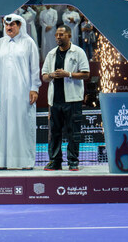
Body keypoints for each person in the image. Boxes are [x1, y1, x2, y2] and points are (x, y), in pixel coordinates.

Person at [0, 14, 41, 169]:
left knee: (23, 123)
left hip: (23, 91)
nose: (9, 27)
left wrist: (34, 88)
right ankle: (4, 162)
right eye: (7, 25)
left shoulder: (28, 42)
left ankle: (25, 161)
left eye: (12, 25)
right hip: (4, 92)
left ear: (20, 26)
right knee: (5, 124)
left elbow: (35, 68)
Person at [41, 26, 90, 171]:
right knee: (54, 133)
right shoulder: (51, 54)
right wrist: (52, 75)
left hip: (73, 100)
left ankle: (73, 161)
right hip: (55, 100)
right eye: (56, 34)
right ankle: (55, 161)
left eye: (61, 34)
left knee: (73, 132)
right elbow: (44, 76)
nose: (58, 37)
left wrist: (68, 74)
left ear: (69, 36)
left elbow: (86, 74)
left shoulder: (78, 52)